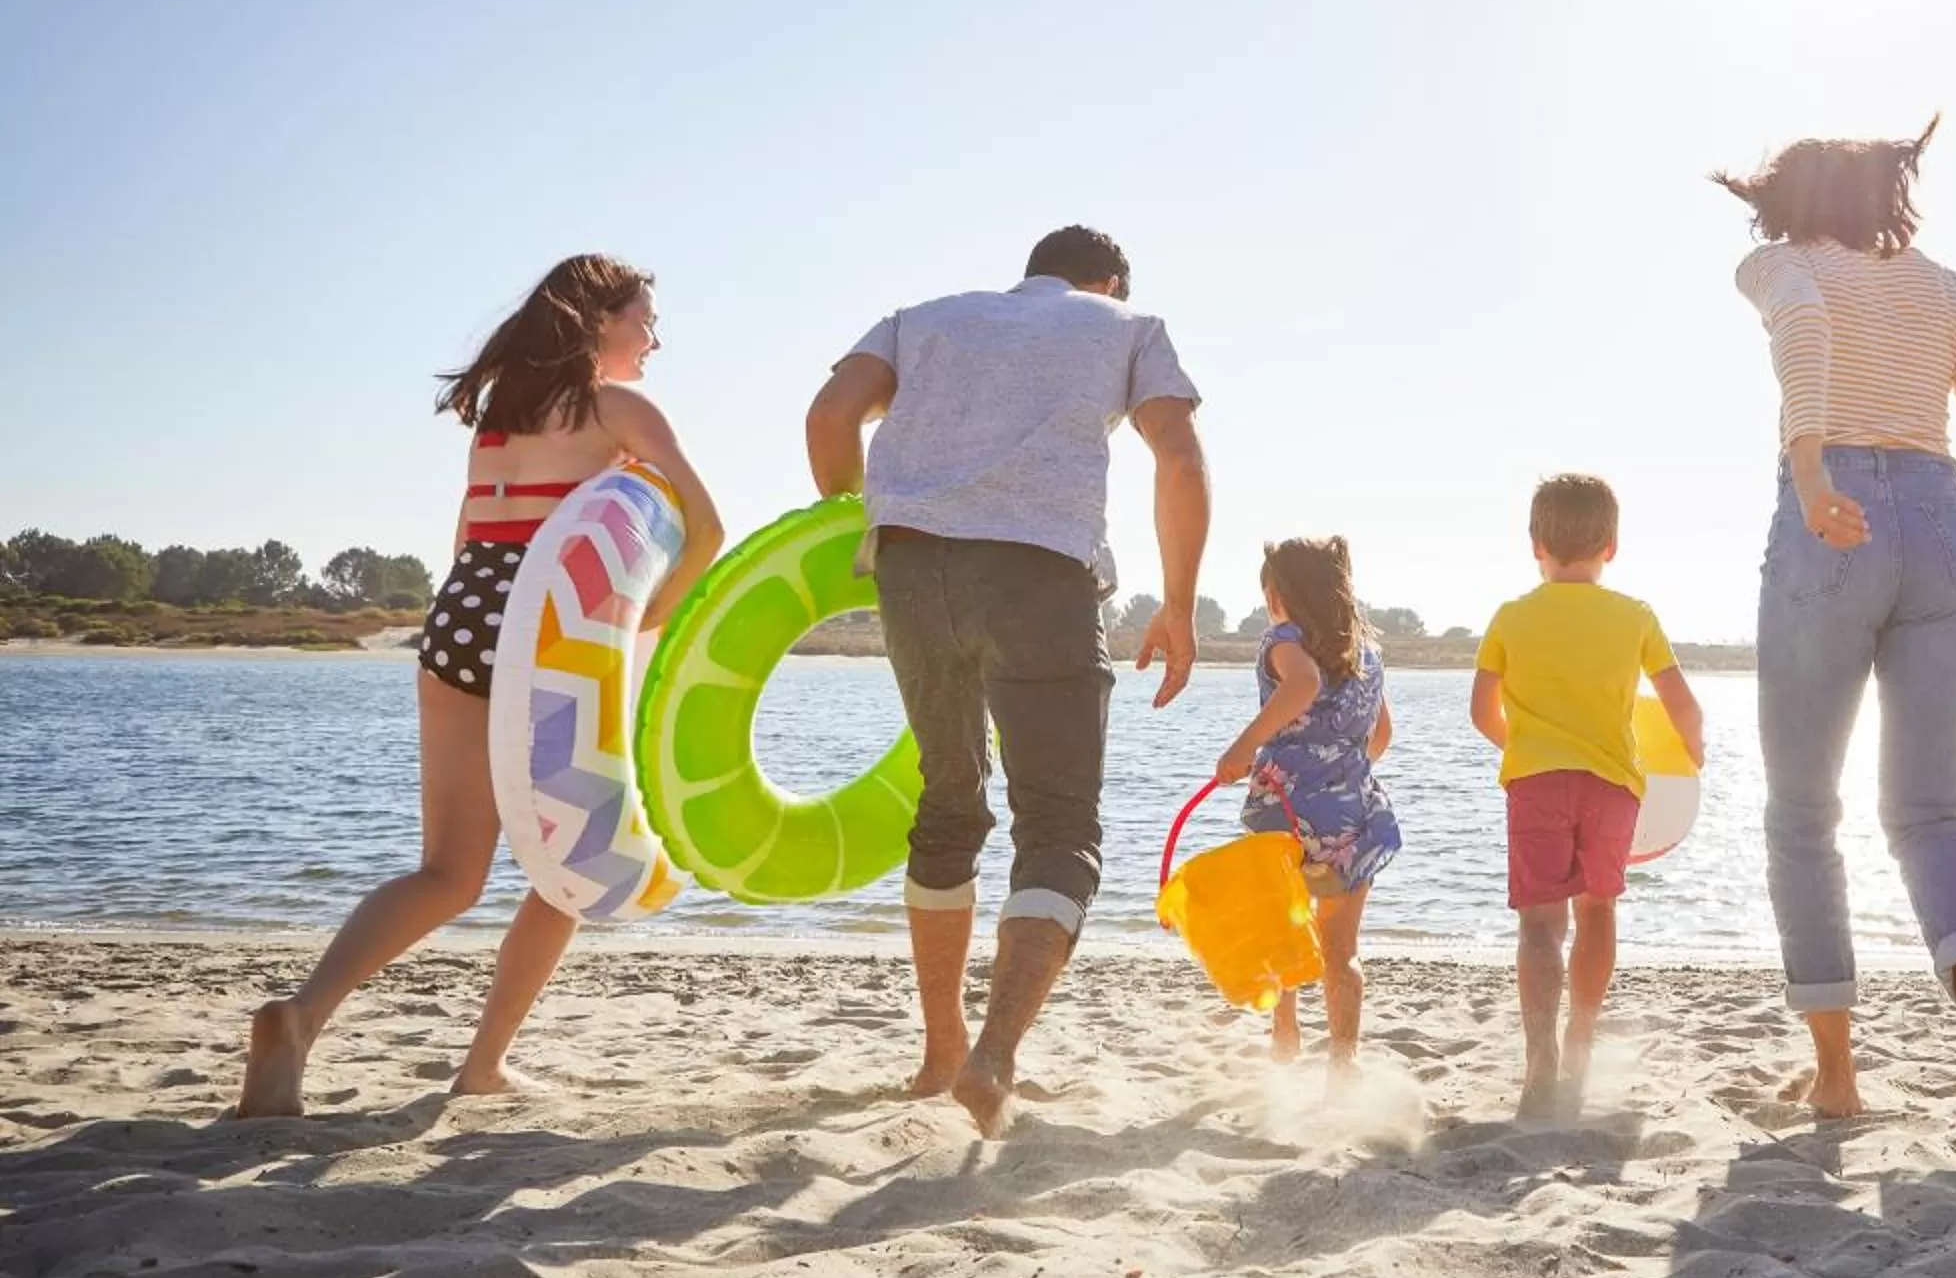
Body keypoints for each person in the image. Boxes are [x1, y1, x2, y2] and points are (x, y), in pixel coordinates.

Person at [237, 255, 724, 1118]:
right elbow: (706, 530)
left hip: (458, 619)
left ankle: (304, 1015)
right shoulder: (618, 409)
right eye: (645, 318)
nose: (655, 338)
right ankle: (483, 1065)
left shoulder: (496, 423)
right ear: (598, 322)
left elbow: (468, 539)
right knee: (568, 864)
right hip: (546, 625)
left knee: (448, 873)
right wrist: (638, 630)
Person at [807, 225, 1207, 1137]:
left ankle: (939, 1051)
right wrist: (1177, 605)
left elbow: (830, 419)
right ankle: (992, 1058)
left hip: (913, 573)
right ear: (1107, 282)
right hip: (1039, 575)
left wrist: (860, 525)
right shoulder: (1127, 324)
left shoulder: (924, 319)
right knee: (1060, 827)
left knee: (949, 804)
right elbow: (1177, 457)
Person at [1719, 118, 1956, 1154]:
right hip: (1949, 522)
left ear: (1785, 199)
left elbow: (1806, 331)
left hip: (1835, 512)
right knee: (1933, 812)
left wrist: (1813, 475)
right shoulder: (1949, 288)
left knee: (1803, 811)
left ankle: (1837, 1073)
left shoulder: (1777, 263)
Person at [1471, 473, 1706, 1119]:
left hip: (1536, 784)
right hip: (1612, 786)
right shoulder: (1635, 616)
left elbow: (1481, 710)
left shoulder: (1511, 617)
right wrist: (1695, 753)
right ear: (1612, 546)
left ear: (1535, 544)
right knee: (1597, 911)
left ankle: (1539, 1055)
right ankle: (1580, 1042)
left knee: (1541, 926)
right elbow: (1683, 705)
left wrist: (1523, 752)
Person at [1212, 536, 1399, 1072]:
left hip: (1286, 813)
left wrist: (1246, 746)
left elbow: (1303, 682)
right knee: (1341, 949)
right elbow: (1381, 735)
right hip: (1352, 813)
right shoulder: (1366, 653)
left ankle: (1286, 1035)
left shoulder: (1282, 639)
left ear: (1276, 593)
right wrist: (1340, 771)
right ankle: (1344, 1060)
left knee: (1284, 929)